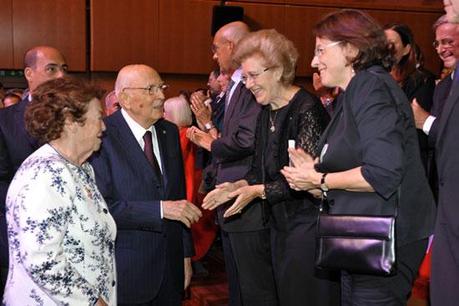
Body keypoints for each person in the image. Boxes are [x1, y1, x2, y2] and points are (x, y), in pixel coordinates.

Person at [281, 9, 436, 305]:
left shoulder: (370, 86)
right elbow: (354, 166)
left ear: (351, 49)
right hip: (362, 234)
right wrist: (311, 177)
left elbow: (383, 173)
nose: (314, 62)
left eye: (320, 51)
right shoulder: (353, 92)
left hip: (387, 237)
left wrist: (320, 178)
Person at [202, 29, 340, 306]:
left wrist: (256, 191)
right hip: (280, 226)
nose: (248, 84)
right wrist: (236, 187)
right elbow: (258, 170)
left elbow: (302, 181)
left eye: (253, 76)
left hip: (308, 228)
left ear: (277, 71)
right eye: (245, 76)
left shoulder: (306, 109)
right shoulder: (267, 110)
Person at [90, 64, 202, 306]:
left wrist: (185, 257)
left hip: (171, 269)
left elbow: (179, 199)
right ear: (125, 97)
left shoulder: (169, 132)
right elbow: (101, 208)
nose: (161, 96)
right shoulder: (102, 135)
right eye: (151, 89)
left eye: (161, 88)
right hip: (127, 269)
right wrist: (160, 210)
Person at [2, 77, 116, 306]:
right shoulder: (44, 175)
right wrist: (94, 301)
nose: (104, 127)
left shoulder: (81, 168)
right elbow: (42, 260)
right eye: (99, 118)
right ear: (71, 121)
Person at [187, 21, 276, 306]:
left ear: (232, 46)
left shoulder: (250, 86)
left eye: (216, 48)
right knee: (238, 282)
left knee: (254, 285)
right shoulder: (238, 85)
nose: (214, 56)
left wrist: (209, 141)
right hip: (232, 194)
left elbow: (245, 140)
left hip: (246, 196)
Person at [0, 45, 67, 296]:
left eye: (63, 69)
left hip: (69, 242)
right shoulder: (4, 121)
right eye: (51, 69)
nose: (60, 76)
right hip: (18, 241)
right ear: (29, 73)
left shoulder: (78, 118)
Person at [164, 95, 218, 263]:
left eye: (165, 111)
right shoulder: (186, 132)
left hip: (191, 184)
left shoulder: (182, 134)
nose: (162, 115)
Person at [384, 23, 436, 171]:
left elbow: (416, 128)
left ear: (406, 49)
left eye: (392, 44)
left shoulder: (422, 80)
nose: (386, 49)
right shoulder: (373, 78)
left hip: (407, 160)